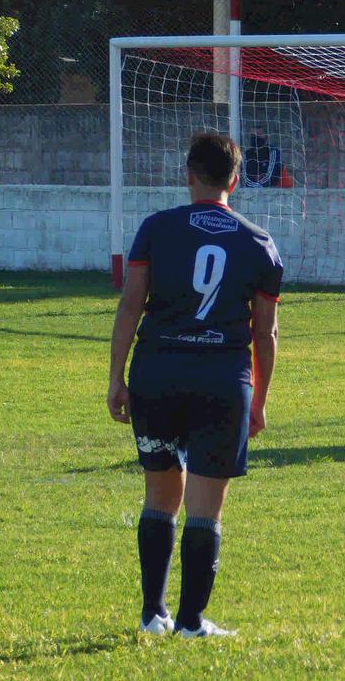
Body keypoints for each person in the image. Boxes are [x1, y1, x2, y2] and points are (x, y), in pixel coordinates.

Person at [107, 132, 283, 638]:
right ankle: (189, 622)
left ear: (188, 175)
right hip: (222, 381)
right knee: (205, 506)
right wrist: (261, 400)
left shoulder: (155, 229)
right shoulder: (259, 242)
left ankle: (151, 616)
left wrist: (116, 378)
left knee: (159, 494)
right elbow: (264, 332)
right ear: (235, 179)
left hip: (156, 374)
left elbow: (129, 305)